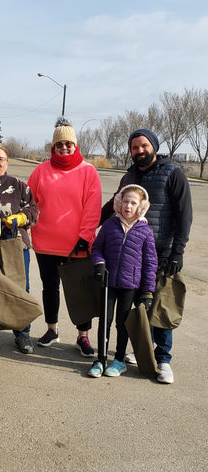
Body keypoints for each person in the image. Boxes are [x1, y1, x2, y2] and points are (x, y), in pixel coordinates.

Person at [101, 129, 192, 384]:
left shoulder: (172, 173)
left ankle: (163, 360)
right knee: (141, 306)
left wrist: (178, 250)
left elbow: (185, 213)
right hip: (131, 255)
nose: (139, 151)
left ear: (153, 146)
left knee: (161, 308)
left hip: (162, 254)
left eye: (143, 146)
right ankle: (144, 349)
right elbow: (115, 204)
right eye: (134, 148)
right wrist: (91, 226)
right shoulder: (130, 175)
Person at [27, 117, 102, 356]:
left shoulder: (88, 171)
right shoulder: (41, 171)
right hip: (46, 243)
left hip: (76, 245)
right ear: (53, 147)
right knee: (50, 289)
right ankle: (52, 329)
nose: (64, 148)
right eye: (59, 144)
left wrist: (86, 236)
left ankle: (83, 336)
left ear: (75, 145)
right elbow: (29, 202)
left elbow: (92, 207)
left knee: (80, 291)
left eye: (68, 144)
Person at [88, 185, 158, 378]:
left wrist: (147, 291)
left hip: (131, 285)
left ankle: (119, 360)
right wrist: (99, 263)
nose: (128, 206)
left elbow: (151, 263)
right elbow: (97, 248)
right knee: (105, 320)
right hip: (108, 282)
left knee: (123, 323)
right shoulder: (110, 225)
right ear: (119, 202)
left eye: (133, 203)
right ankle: (101, 358)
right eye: (125, 201)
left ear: (141, 207)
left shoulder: (145, 231)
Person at [0, 145, 39, 354]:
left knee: (19, 289)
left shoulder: (18, 186)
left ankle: (22, 333)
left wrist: (23, 217)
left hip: (15, 244)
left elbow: (34, 209)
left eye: (1, 159)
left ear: (7, 163)